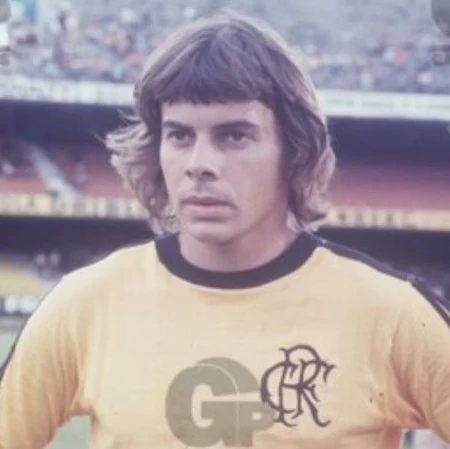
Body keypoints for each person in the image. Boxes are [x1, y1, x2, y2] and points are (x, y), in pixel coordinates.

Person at [1, 10, 450, 449]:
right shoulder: (84, 303)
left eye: (234, 136)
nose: (199, 164)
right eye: (179, 136)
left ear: (293, 150)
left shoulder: (390, 313)